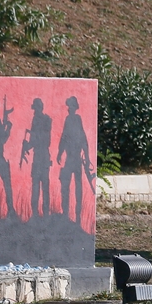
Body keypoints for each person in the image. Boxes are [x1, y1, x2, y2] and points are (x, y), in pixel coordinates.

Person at [57, 96, 92, 226]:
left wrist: (87, 157)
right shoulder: (68, 120)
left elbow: (83, 139)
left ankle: (78, 216)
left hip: (76, 159)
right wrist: (60, 152)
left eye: (71, 106)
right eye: (69, 106)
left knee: (78, 188)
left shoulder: (77, 119)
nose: (69, 108)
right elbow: (64, 136)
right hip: (69, 158)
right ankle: (66, 213)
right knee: (65, 185)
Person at [22, 98, 53, 218]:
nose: (35, 111)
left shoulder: (46, 120)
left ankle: (46, 214)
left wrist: (30, 143)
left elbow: (45, 140)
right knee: (35, 186)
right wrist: (27, 145)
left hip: (44, 156)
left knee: (44, 186)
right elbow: (33, 140)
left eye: (36, 108)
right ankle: (34, 213)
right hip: (37, 156)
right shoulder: (35, 120)